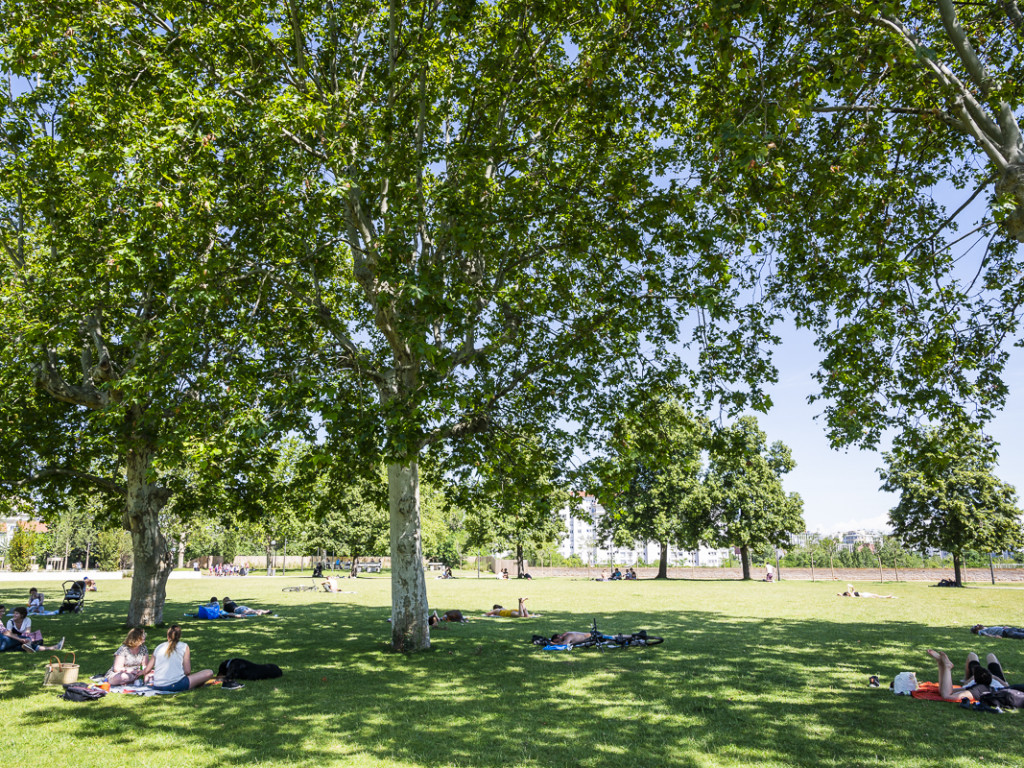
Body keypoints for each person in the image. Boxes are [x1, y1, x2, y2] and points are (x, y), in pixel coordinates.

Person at [140, 625, 214, 692]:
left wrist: (139, 673)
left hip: (158, 686)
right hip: (176, 685)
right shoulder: (184, 646)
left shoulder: (159, 647)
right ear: (179, 636)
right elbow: (187, 671)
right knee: (209, 672)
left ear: (167, 636)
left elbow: (147, 669)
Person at [926, 648, 1009, 702]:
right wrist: (995, 677)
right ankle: (942, 664)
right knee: (990, 656)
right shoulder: (983, 688)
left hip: (982, 678)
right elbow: (1006, 685)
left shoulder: (975, 687)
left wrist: (968, 679)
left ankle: (942, 664)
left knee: (974, 655)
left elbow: (948, 693)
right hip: (994, 679)